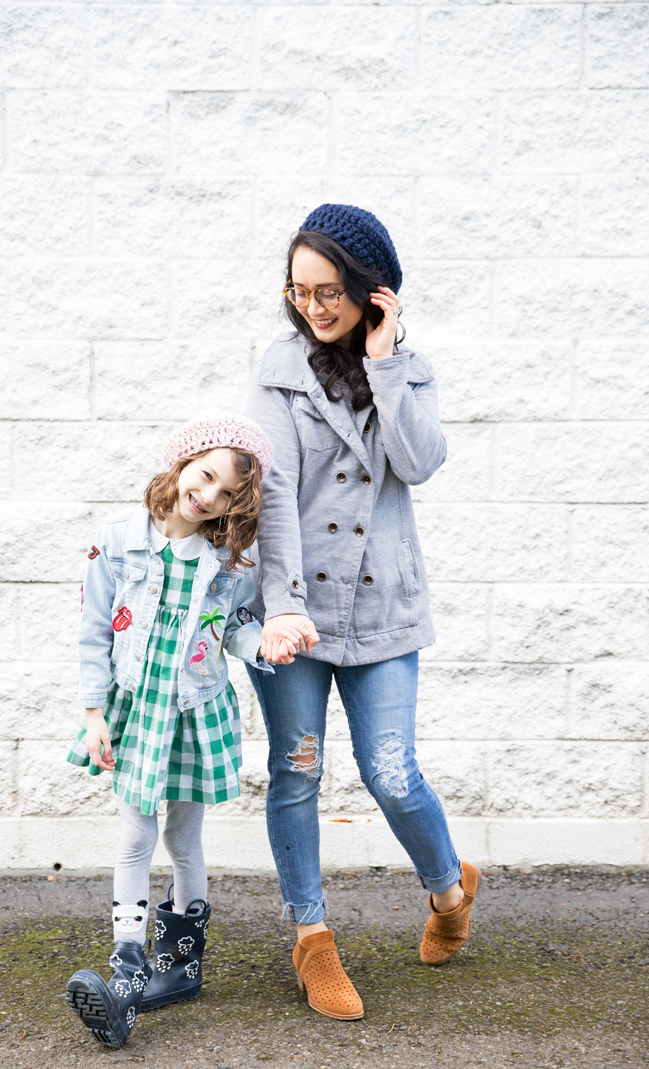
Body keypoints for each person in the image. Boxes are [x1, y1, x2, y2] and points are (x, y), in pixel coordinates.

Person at [246, 203, 481, 1021]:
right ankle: (312, 937)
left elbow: (419, 462)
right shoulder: (277, 371)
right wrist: (279, 606)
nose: (314, 306)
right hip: (295, 612)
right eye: (300, 290)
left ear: (370, 290)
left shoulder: (408, 371)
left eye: (331, 290)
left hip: (383, 605)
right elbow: (272, 495)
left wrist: (381, 362)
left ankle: (450, 889)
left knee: (390, 770)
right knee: (298, 769)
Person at [65, 417, 282, 1048]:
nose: (209, 497)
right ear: (183, 464)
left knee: (183, 836)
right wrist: (94, 712)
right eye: (205, 475)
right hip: (138, 711)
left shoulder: (230, 565)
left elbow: (234, 628)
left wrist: (265, 641)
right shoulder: (118, 540)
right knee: (136, 833)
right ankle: (128, 967)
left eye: (226, 494)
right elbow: (94, 631)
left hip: (194, 711)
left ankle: (182, 959)